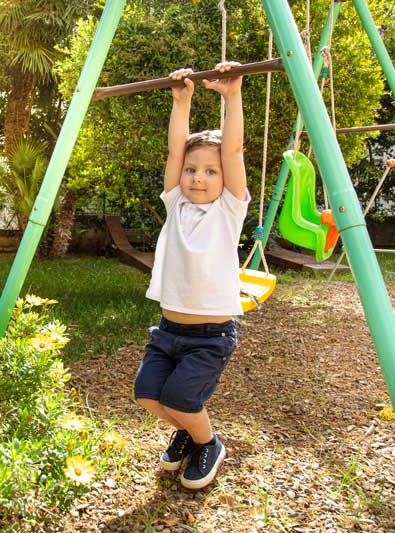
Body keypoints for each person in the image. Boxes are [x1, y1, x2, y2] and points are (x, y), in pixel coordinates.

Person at [134, 62, 249, 490]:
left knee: (181, 396)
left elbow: (233, 151)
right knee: (148, 393)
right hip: (167, 329)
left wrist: (231, 97)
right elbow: (173, 152)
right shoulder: (176, 204)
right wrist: (181, 102)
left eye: (210, 171)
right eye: (192, 170)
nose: (198, 177)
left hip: (211, 333)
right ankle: (191, 430)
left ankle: (209, 443)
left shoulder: (229, 211)